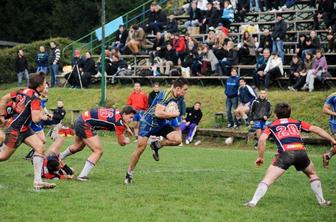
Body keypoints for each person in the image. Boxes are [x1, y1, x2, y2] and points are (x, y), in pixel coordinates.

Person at [245, 102, 335, 207]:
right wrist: (332, 140)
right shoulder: (297, 122)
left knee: (268, 179)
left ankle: (252, 202)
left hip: (286, 154)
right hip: (301, 152)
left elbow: (262, 140)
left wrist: (260, 157)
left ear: (275, 114)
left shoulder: (271, 126)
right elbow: (316, 129)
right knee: (312, 174)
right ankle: (322, 202)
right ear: (290, 113)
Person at [124, 78, 189, 184]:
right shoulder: (165, 95)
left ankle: (156, 145)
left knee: (177, 140)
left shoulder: (179, 97)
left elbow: (175, 112)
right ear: (178, 88)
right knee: (140, 149)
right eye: (185, 89)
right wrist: (173, 114)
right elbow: (158, 113)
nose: (186, 92)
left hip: (161, 124)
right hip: (148, 123)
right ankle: (129, 174)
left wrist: (176, 116)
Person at [0, 72, 55, 189]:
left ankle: (38, 182)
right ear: (39, 86)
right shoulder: (35, 98)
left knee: (40, 147)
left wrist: (1, 115)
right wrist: (44, 117)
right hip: (16, 130)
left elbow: (4, 98)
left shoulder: (23, 91)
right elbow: (35, 119)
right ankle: (38, 181)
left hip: (24, 128)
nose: (46, 85)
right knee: (3, 156)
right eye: (45, 83)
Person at [59, 105, 136, 181]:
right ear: (124, 114)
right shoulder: (119, 123)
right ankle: (82, 176)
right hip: (85, 124)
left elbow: (115, 119)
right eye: (130, 117)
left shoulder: (118, 112)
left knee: (78, 146)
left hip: (81, 119)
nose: (131, 120)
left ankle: (58, 158)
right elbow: (121, 143)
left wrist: (126, 127)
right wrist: (126, 140)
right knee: (98, 151)